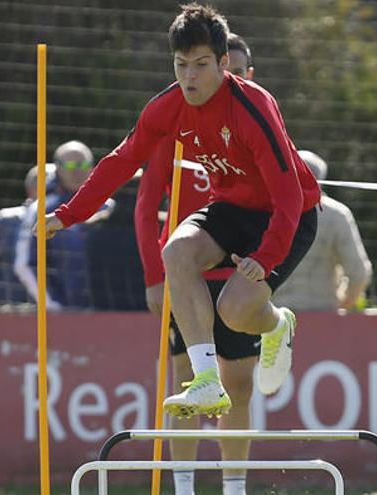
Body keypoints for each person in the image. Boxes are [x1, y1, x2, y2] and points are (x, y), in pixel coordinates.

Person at [40, 3, 320, 421]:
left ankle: (278, 325)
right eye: (181, 64)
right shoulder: (166, 107)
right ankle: (207, 381)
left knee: (235, 311)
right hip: (231, 207)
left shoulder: (254, 107)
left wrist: (266, 257)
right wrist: (70, 212)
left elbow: (289, 195)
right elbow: (122, 159)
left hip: (289, 214)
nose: (190, 76)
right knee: (176, 252)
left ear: (225, 63)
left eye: (202, 65)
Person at [133, 32, 259, 495]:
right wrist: (152, 276)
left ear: (244, 74)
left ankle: (234, 487)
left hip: (239, 275)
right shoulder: (178, 126)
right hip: (187, 275)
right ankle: (183, 488)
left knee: (238, 385)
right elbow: (146, 206)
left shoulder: (256, 123)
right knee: (187, 384)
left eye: (242, 72)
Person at [14, 140, 113, 309]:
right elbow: (25, 264)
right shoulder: (41, 209)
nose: (77, 171)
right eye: (70, 165)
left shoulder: (110, 206)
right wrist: (52, 304)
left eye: (83, 164)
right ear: (57, 167)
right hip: (59, 310)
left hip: (106, 308)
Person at [272, 150, 372, 312]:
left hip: (274, 316)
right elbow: (359, 274)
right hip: (323, 312)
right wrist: (343, 304)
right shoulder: (337, 215)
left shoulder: (267, 211)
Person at [0, 165, 54, 305]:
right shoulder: (4, 220)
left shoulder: (68, 221)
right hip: (9, 312)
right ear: (31, 190)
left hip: (57, 313)